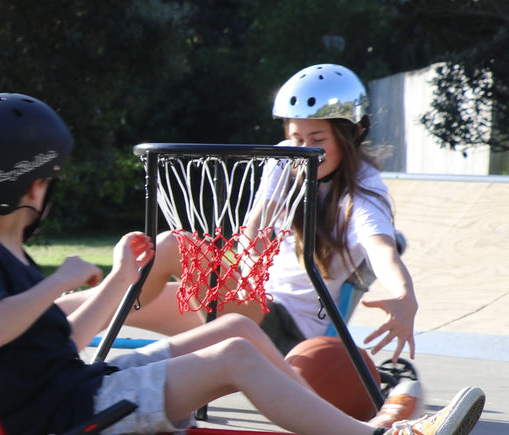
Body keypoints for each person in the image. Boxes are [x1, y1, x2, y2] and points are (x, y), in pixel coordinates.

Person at [0, 91, 483, 435]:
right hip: (78, 413)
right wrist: (58, 283)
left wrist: (121, 277)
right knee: (237, 355)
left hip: (79, 392)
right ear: (28, 186)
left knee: (236, 332)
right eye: (48, 178)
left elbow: (63, 340)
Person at [124, 64, 416, 360]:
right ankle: (77, 328)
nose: (304, 150)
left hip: (288, 331)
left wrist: (405, 296)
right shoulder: (285, 158)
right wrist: (248, 274)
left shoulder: (363, 188)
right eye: (297, 139)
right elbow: (254, 227)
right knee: (104, 299)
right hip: (258, 305)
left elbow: (382, 250)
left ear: (352, 133)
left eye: (318, 140)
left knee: (173, 246)